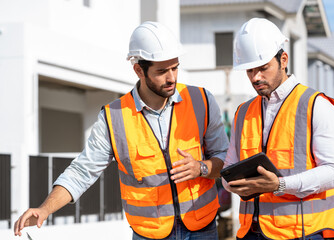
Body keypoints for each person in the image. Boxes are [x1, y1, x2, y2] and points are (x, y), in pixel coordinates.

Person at [14, 21, 229, 240]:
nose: (172, 78)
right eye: (162, 71)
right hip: (149, 234)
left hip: (202, 229)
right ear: (139, 70)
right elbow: (82, 171)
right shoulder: (113, 117)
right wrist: (45, 209)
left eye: (175, 68)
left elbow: (226, 158)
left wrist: (201, 167)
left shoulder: (201, 100)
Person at [222, 18, 334, 240]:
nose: (256, 77)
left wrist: (280, 185)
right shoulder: (243, 112)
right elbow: (228, 169)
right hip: (252, 231)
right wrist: (233, 184)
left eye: (263, 68)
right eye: (250, 70)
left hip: (303, 232)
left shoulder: (316, 105)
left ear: (283, 59)